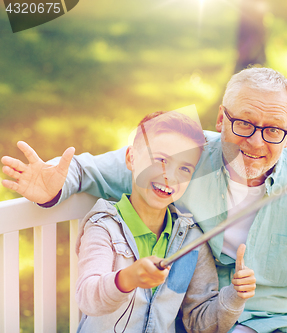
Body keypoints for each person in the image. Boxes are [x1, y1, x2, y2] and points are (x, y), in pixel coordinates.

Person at [1, 67, 287, 333]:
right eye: (243, 124)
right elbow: (98, 170)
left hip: (281, 324)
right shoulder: (185, 154)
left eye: (274, 130)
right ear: (221, 118)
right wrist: (53, 187)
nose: (257, 143)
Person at [74, 110, 256, 333]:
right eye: (160, 160)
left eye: (184, 169)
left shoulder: (192, 241)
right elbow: (88, 297)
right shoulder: (104, 227)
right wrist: (127, 278)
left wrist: (235, 297)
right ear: (131, 158)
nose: (170, 175)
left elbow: (200, 323)